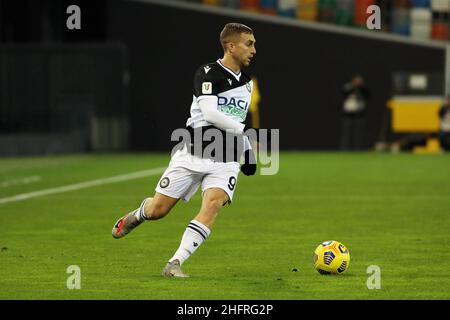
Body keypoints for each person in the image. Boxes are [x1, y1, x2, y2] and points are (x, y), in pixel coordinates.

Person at [111, 23, 258, 278]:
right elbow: (211, 114)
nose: (254, 49)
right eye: (249, 43)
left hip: (227, 158)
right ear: (231, 46)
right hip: (194, 151)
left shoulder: (247, 84)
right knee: (159, 210)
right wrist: (246, 135)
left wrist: (248, 151)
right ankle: (138, 214)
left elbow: (238, 120)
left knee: (213, 204)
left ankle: (175, 262)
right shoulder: (207, 73)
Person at [340, 75, 371, 150]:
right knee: (346, 133)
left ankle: (359, 148)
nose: (357, 82)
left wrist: (360, 87)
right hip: (348, 114)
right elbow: (343, 93)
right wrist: (353, 87)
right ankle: (345, 149)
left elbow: (368, 95)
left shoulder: (363, 89)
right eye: (356, 81)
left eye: (359, 81)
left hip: (359, 114)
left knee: (359, 133)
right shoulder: (348, 87)